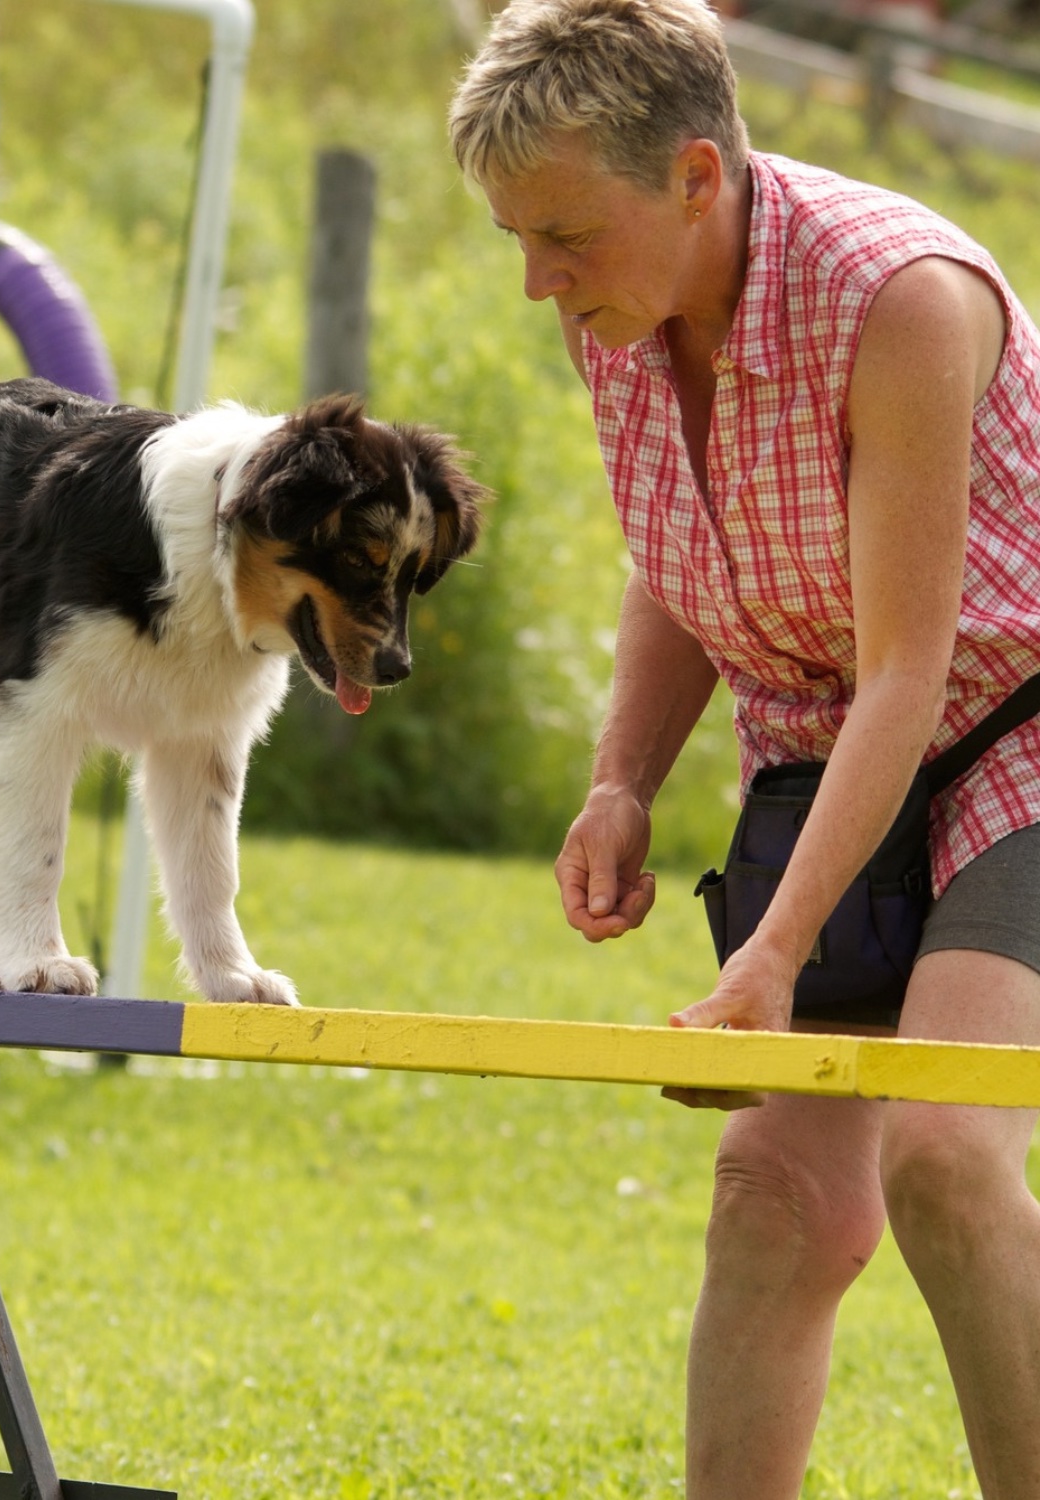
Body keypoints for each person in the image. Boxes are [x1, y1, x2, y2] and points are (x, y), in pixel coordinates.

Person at [448, 3, 1040, 1496]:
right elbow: (679, 554)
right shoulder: (627, 311)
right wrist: (621, 779)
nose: (538, 282)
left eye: (565, 235)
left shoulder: (897, 298)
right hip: (830, 748)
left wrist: (772, 952)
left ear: (699, 176)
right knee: (773, 1197)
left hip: (1014, 733)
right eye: (517, 239)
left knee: (946, 1160)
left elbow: (911, 669)